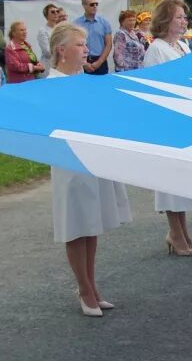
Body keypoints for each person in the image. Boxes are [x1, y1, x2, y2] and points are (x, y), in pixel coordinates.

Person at [46, 22, 131, 314]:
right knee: (76, 225)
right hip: (69, 162)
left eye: (85, 45)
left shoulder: (85, 79)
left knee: (91, 224)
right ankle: (83, 288)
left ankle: (92, 284)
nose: (87, 50)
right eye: (80, 45)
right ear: (61, 50)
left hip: (92, 157)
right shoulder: (53, 83)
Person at [143, 0, 192, 257]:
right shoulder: (156, 49)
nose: (183, 21)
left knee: (183, 179)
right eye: (178, 17)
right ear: (166, 20)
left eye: (184, 17)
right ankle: (174, 233)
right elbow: (153, 86)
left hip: (186, 117)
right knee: (170, 180)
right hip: (166, 120)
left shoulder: (183, 46)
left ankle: (184, 231)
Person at [77, 0, 113, 76]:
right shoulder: (76, 24)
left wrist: (99, 62)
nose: (95, 6)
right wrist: (84, 64)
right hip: (82, 60)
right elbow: (74, 45)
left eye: (96, 4)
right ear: (84, 6)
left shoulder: (104, 23)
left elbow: (108, 44)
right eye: (92, 4)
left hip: (100, 61)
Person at [112, 8, 147, 72]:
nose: (132, 22)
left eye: (134, 20)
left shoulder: (134, 33)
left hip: (138, 70)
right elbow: (118, 58)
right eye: (130, 20)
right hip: (127, 71)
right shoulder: (120, 34)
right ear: (122, 22)